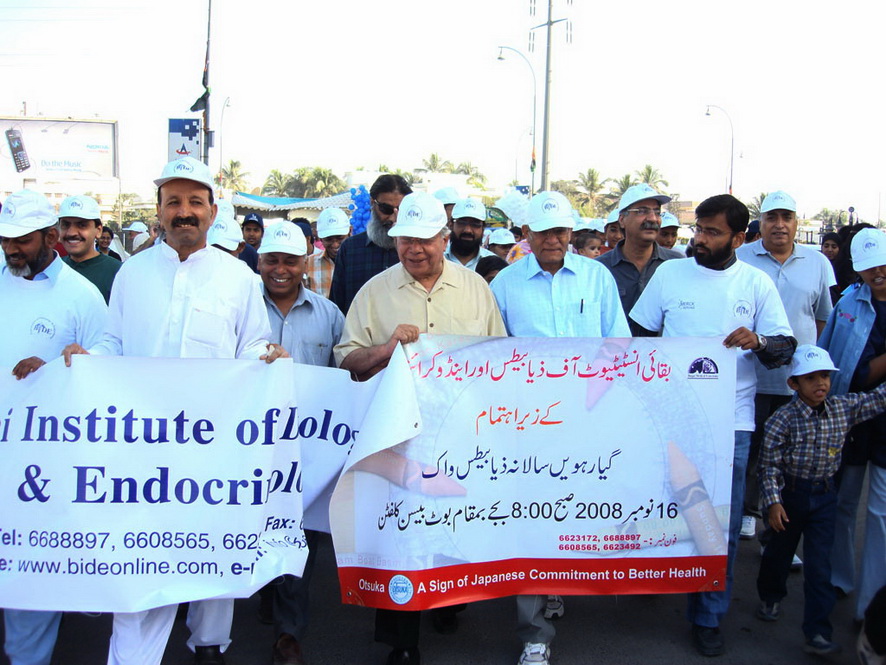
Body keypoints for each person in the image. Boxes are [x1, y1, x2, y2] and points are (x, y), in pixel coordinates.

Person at [62, 156, 288, 665]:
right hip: (140, 448)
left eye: (195, 202)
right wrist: (88, 359)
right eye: (173, 202)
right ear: (160, 210)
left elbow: (252, 345)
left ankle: (209, 645)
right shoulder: (132, 274)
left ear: (212, 211)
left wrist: (267, 356)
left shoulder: (238, 277)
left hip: (214, 445)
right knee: (140, 551)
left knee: (213, 544)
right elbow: (114, 342)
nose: (184, 211)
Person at [334, 191, 505, 665]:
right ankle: (401, 641)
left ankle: (449, 599)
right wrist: (386, 350)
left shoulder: (475, 289)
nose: (414, 249)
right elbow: (347, 360)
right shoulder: (374, 292)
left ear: (444, 238)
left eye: (425, 239)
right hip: (398, 437)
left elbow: (499, 356)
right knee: (400, 533)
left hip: (461, 434)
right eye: (405, 239)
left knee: (454, 521)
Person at [630, 194, 796, 657]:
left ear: (738, 239)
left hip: (731, 423)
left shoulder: (756, 283)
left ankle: (708, 615)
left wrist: (758, 340)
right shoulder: (670, 274)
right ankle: (655, 577)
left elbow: (785, 346)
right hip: (667, 418)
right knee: (658, 506)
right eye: (698, 229)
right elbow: (638, 338)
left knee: (718, 522)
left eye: (712, 232)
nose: (700, 239)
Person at [489, 191, 630, 665]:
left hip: (586, 419)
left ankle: (556, 580)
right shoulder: (505, 283)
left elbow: (618, 342)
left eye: (561, 231)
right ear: (526, 234)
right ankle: (535, 633)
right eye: (544, 231)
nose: (554, 239)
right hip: (527, 422)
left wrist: (598, 398)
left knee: (572, 509)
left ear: (572, 233)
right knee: (530, 514)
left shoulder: (597, 276)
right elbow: (492, 352)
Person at [1, 189, 107, 665]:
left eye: (21, 240)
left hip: (40, 461)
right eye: (5, 240)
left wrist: (62, 367)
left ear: (50, 237)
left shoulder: (81, 296)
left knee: (27, 571)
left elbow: (106, 364)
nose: (11, 249)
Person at [756, 345, 886, 656]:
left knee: (819, 565)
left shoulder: (842, 408)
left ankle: (817, 631)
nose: (820, 384)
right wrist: (774, 503)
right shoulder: (781, 420)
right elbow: (768, 466)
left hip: (825, 497)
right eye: (811, 378)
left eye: (825, 376)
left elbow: (876, 399)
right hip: (790, 498)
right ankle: (771, 595)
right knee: (779, 553)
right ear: (793, 384)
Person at [257, 222, 344, 665]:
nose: (280, 269)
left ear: (304, 263)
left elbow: (344, 374)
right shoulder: (241, 309)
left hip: (306, 446)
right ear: (259, 262)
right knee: (253, 526)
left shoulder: (329, 314)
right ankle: (266, 591)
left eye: (289, 261)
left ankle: (288, 632)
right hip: (250, 442)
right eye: (272, 260)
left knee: (300, 533)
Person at [736, 191, 835, 547]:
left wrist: (809, 364)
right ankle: (747, 513)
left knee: (790, 461)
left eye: (787, 217)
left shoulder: (818, 262)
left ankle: (777, 537)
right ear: (760, 222)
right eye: (772, 217)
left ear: (796, 222)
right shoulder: (740, 257)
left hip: (799, 382)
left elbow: (822, 317)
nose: (779, 225)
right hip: (749, 377)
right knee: (750, 453)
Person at [818, 227, 886, 626]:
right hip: (850, 417)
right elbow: (829, 356)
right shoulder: (848, 302)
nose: (878, 272)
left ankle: (871, 606)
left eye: (883, 264)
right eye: (869, 266)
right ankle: (838, 579)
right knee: (843, 503)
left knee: (879, 515)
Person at [596, 184, 683, 335]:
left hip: (664, 349)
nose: (652, 218)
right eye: (642, 211)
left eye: (657, 212)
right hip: (613, 349)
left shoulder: (676, 264)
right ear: (622, 220)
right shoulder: (599, 269)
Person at [329, 174, 411, 314]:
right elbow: (338, 305)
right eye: (386, 209)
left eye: (401, 210)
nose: (393, 218)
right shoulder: (350, 249)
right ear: (373, 203)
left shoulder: (415, 251)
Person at [58, 194, 122, 303]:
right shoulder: (52, 270)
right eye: (66, 225)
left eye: (82, 225)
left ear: (98, 230)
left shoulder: (118, 272)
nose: (71, 233)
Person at [305, 208, 351, 298]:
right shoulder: (309, 263)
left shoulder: (360, 261)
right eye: (328, 239)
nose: (335, 244)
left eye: (340, 238)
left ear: (350, 232)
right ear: (320, 238)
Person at [444, 198, 494, 270]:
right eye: (462, 223)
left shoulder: (492, 263)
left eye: (475, 224)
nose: (468, 230)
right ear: (451, 225)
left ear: (483, 228)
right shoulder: (437, 258)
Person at [820, 232, 842, 304]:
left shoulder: (844, 269)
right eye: (826, 246)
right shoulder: (816, 264)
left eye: (834, 247)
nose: (830, 250)